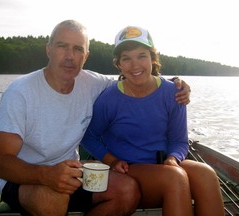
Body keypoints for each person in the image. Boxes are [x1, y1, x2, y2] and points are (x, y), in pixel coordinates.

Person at [0, 20, 190, 216]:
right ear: (49, 49)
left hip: (73, 170)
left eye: (78, 49)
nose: (70, 56)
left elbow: (135, 79)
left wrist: (173, 85)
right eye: (62, 46)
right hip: (24, 179)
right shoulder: (21, 92)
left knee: (128, 191)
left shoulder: (92, 83)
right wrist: (45, 175)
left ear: (85, 56)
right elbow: (1, 163)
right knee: (52, 197)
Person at [81, 26, 225, 216]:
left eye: (141, 56)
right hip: (127, 170)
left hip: (164, 164)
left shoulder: (174, 92)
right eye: (126, 58)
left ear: (152, 58)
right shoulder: (109, 99)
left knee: (206, 174)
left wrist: (173, 158)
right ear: (119, 65)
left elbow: (179, 141)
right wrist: (112, 160)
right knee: (174, 178)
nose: (135, 65)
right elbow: (89, 137)